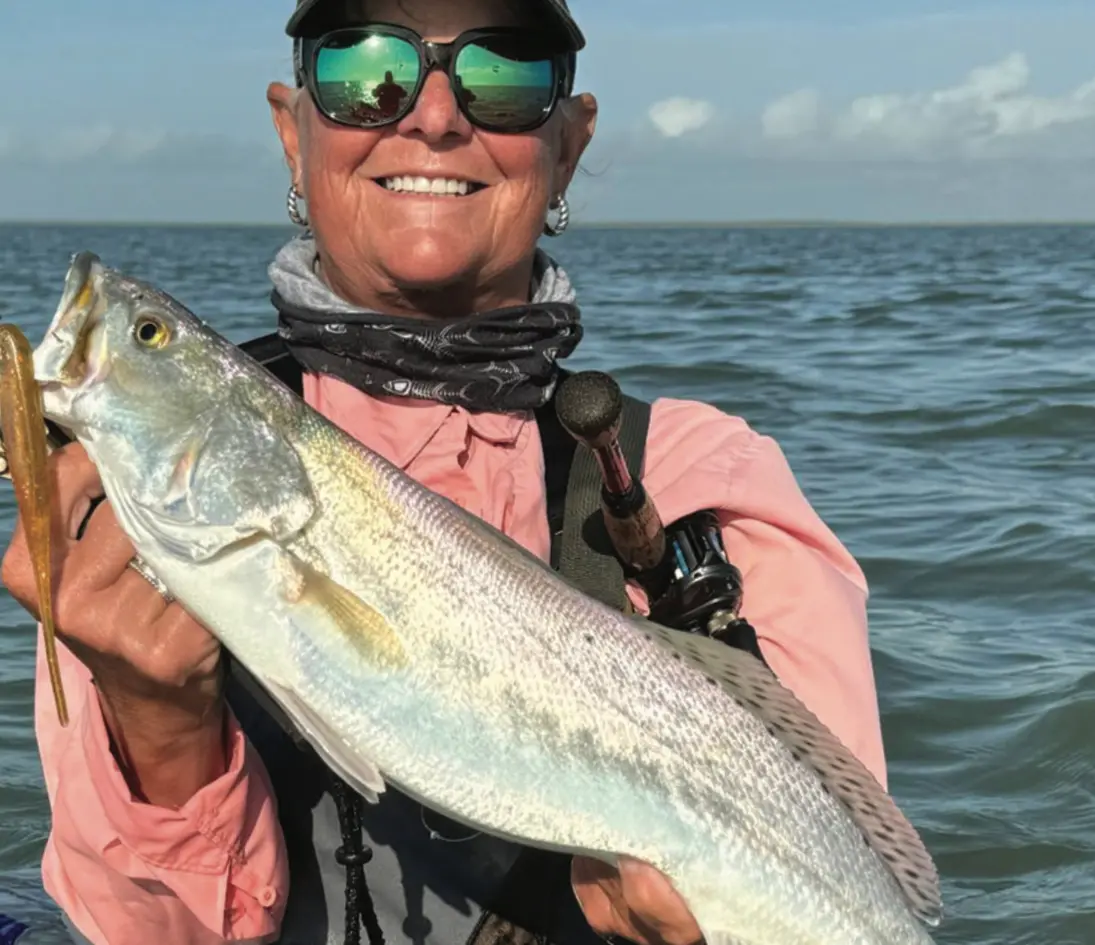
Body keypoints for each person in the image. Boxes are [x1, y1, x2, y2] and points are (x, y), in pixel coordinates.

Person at [0, 1, 887, 944]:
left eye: (503, 72)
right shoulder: (115, 504)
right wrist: (160, 722)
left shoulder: (709, 478)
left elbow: (846, 853)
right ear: (291, 132)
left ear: (570, 145)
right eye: (360, 70)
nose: (431, 114)